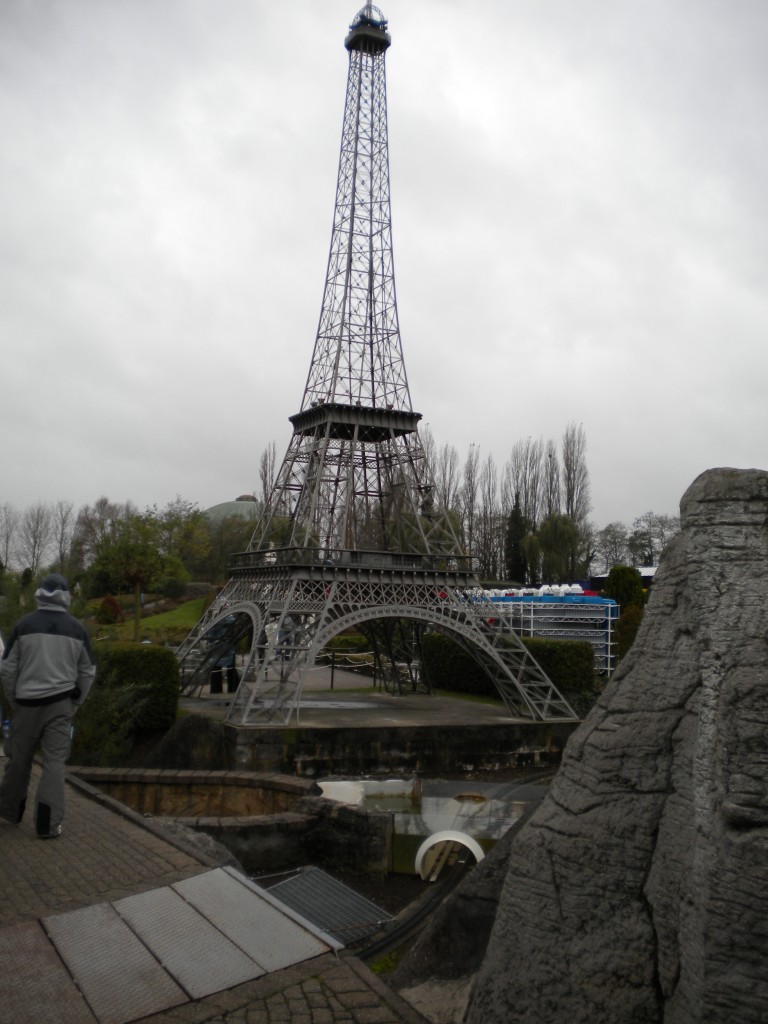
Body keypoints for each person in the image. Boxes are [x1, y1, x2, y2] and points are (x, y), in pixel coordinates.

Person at [0, 573, 96, 838]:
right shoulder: (78, 629)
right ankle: (47, 826)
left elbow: (7, 669)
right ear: (66, 597)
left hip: (26, 705)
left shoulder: (23, 625)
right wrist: (76, 702)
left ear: (39, 594)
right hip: (60, 705)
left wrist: (14, 698)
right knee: (54, 764)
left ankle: (8, 812)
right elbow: (88, 671)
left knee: (19, 761)